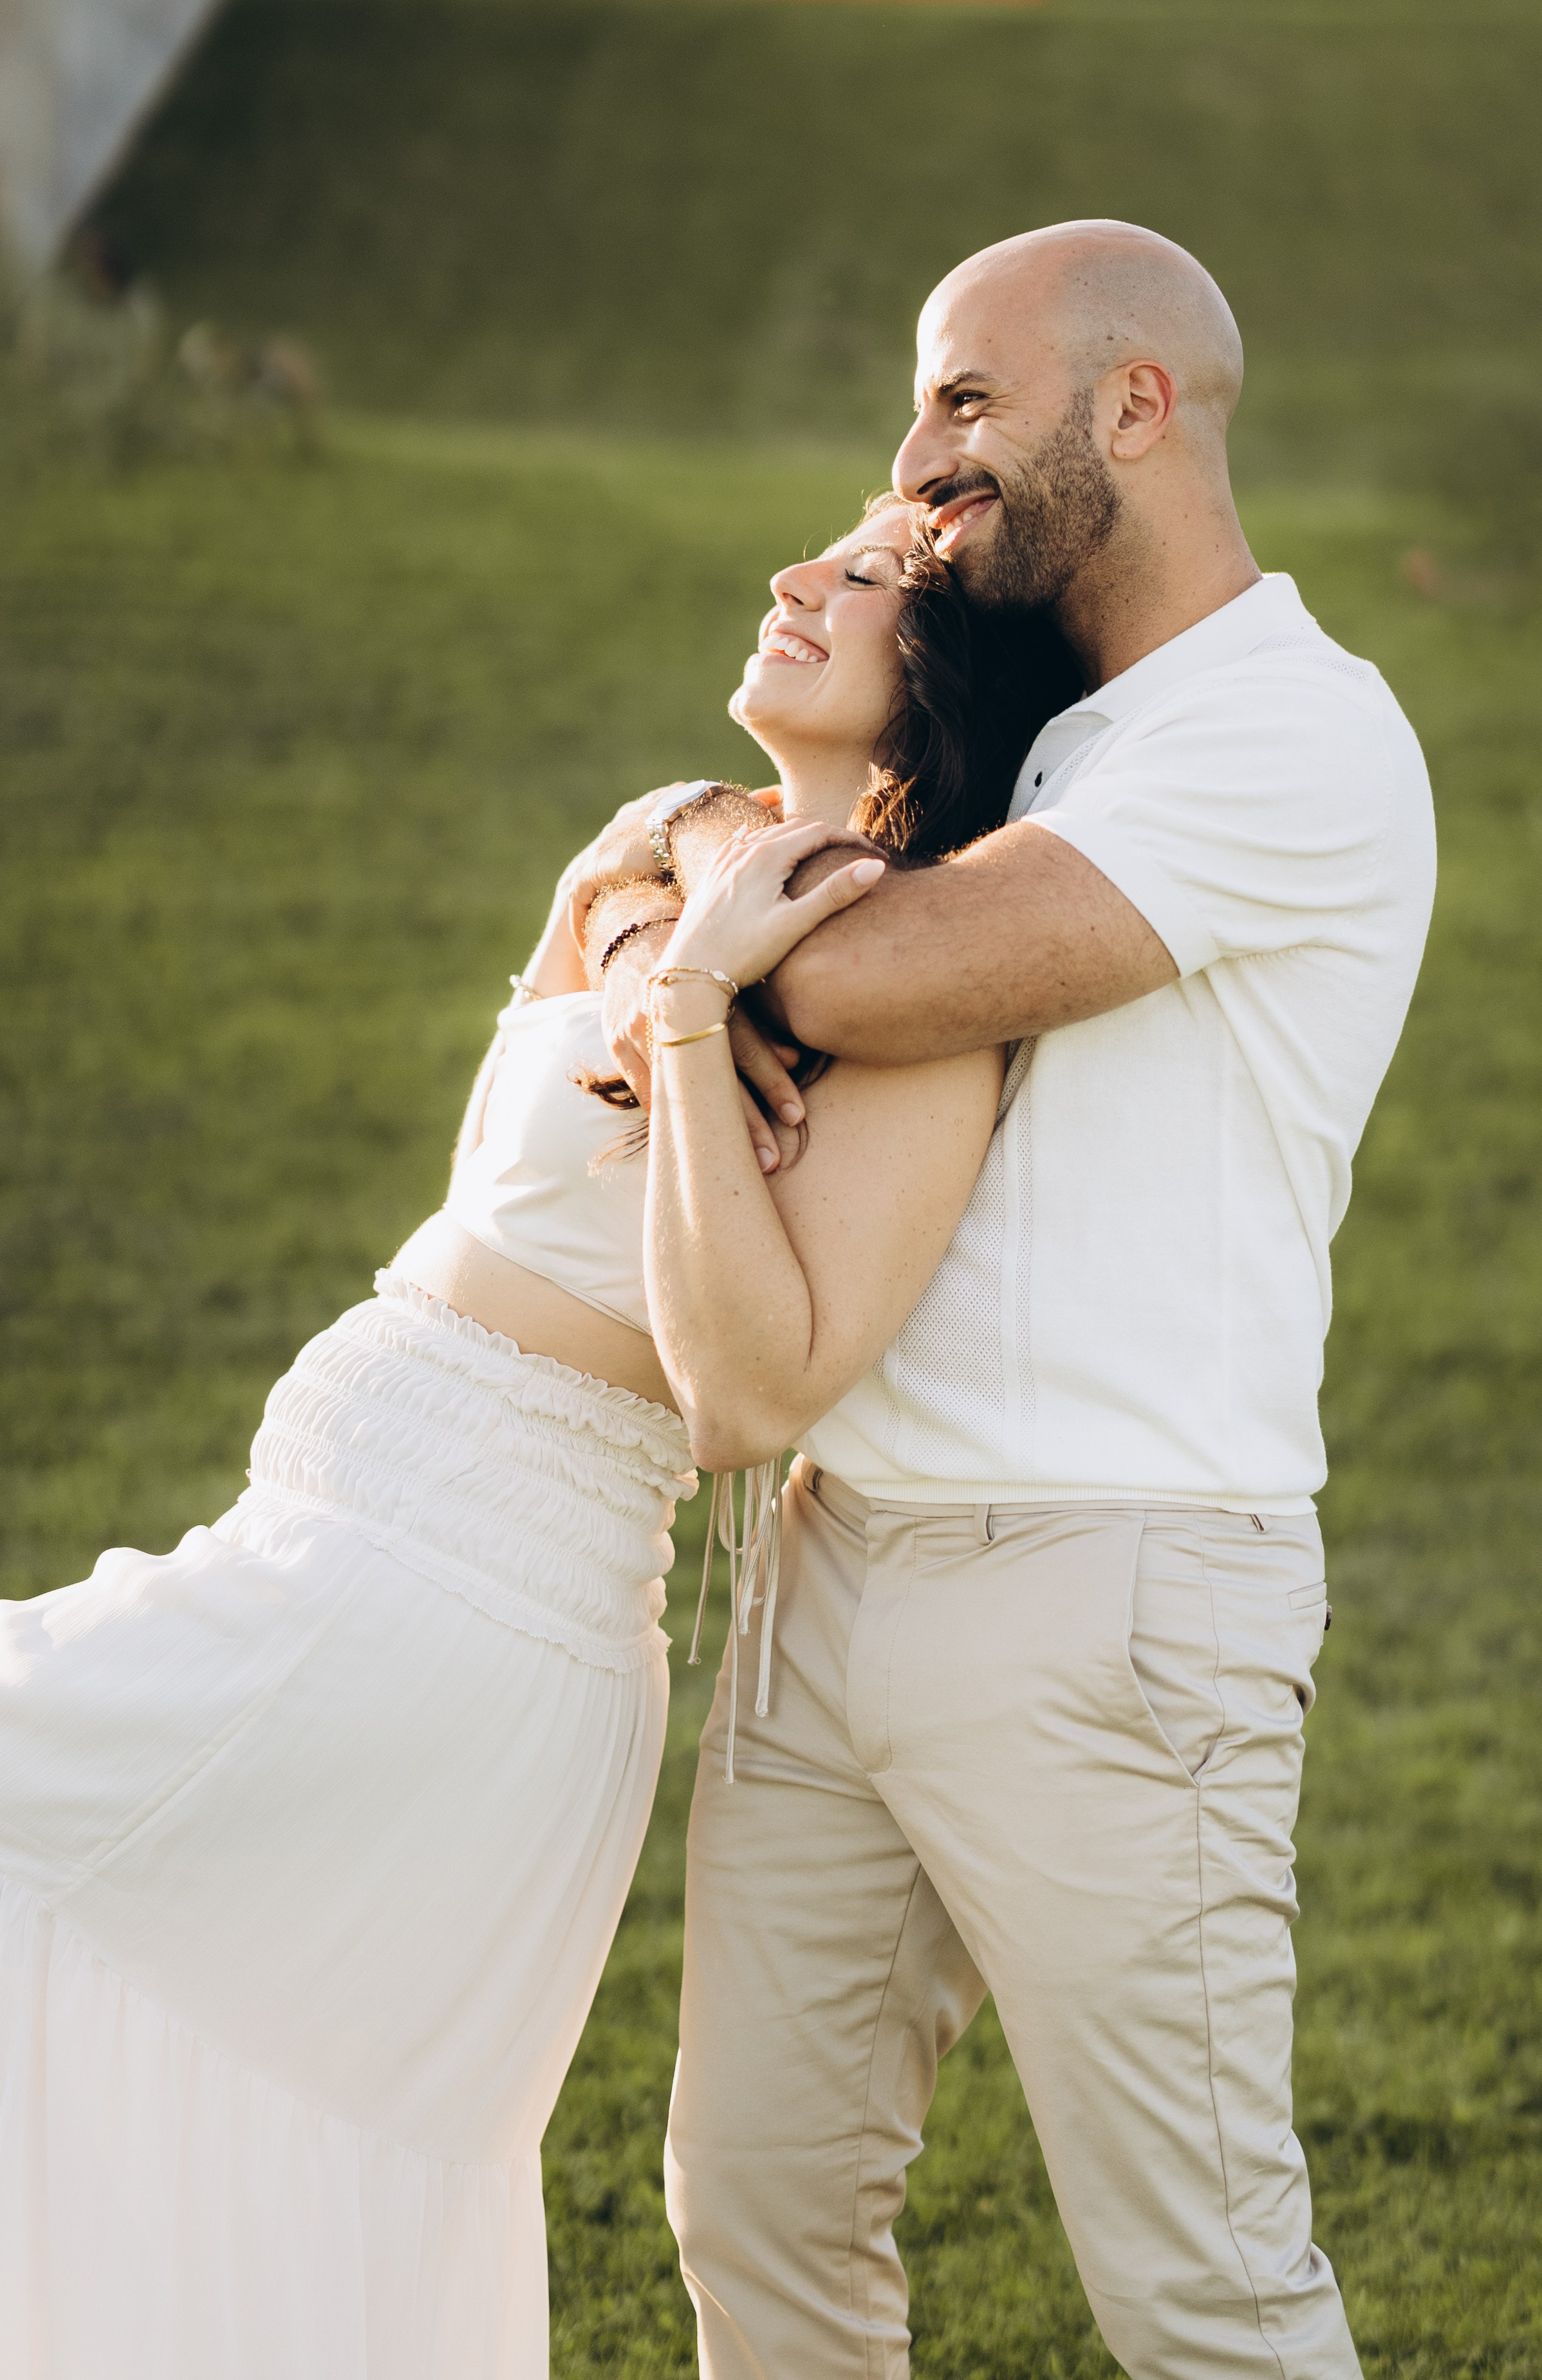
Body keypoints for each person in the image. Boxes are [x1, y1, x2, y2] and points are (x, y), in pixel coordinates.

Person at [0, 500, 1072, 2380]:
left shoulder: (915, 1005)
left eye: (865, 580)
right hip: (329, 1549)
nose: (798, 578)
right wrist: (679, 933)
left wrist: (707, 1021)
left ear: (944, 677)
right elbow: (620, 883)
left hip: (448, 1614)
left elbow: (760, 1389)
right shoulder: (672, 834)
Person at [593, 221, 1436, 2380]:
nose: (915, 456)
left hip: (1112, 1591)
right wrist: (723, 856)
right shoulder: (1036, 733)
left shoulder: (1288, 735)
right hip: (832, 1563)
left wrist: (675, 880)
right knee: (757, 2217)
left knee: (1201, 2287)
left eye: (966, 400)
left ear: (1134, 406)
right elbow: (819, 898)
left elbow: (867, 969)